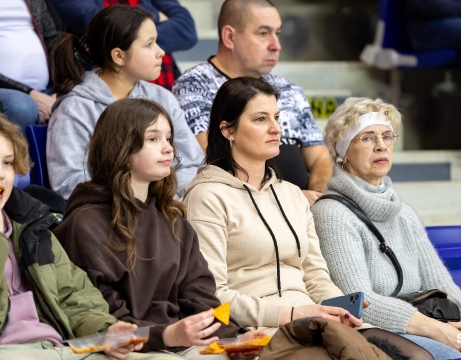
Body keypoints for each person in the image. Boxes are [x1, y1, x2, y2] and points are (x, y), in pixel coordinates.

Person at [183, 77, 434, 360]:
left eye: (277, 117)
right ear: (227, 130)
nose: (276, 128)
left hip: (314, 320)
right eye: (260, 119)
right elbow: (215, 296)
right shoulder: (207, 197)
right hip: (262, 328)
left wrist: (340, 307)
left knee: (419, 357)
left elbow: (315, 276)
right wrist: (292, 314)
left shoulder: (291, 194)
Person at [0, 110, 176, 360]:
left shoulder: (29, 223)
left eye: (7, 163)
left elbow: (75, 297)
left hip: (59, 347)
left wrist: (105, 330)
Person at [310, 97, 461, 358]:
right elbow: (359, 301)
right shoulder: (332, 213)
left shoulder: (404, 213)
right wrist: (434, 329)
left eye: (387, 136)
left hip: (426, 323)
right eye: (366, 138)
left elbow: (440, 281)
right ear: (342, 151)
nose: (381, 146)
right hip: (378, 331)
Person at [54, 98, 266, 359]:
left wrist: (234, 337)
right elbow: (102, 317)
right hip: (127, 348)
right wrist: (167, 335)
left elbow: (200, 295)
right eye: (153, 139)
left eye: (168, 139)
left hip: (180, 342)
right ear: (120, 146)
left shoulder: (173, 219)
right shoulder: (84, 224)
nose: (168, 149)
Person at [172, 0, 331, 205]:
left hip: (302, 211)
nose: (276, 45)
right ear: (230, 37)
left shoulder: (289, 89)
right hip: (240, 209)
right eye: (263, 33)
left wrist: (315, 196)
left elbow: (320, 158)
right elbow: (214, 160)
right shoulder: (194, 86)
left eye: (278, 33)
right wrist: (291, 198)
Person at [48, 5, 202, 200]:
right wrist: (139, 199)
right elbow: (69, 184)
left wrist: (165, 201)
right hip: (107, 219)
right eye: (149, 44)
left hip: (168, 209)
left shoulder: (162, 98)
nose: (161, 52)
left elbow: (192, 163)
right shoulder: (75, 109)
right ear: (119, 56)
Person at [51, 0, 197, 91]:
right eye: (149, 43)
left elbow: (187, 31)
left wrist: (139, 30)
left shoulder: (166, 99)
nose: (161, 52)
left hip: (165, 85)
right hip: (111, 88)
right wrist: (155, 15)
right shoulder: (79, 105)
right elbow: (109, 26)